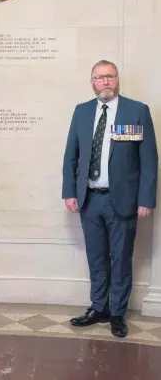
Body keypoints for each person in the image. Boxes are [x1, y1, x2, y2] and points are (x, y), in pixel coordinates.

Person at [62, 60, 158, 338]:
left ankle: (117, 313)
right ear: (91, 82)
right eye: (99, 77)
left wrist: (146, 199)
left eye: (109, 76)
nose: (104, 82)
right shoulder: (81, 112)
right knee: (96, 258)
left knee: (120, 258)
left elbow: (149, 160)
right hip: (89, 200)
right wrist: (70, 191)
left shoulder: (137, 110)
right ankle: (98, 307)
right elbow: (71, 156)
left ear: (117, 80)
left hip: (124, 200)